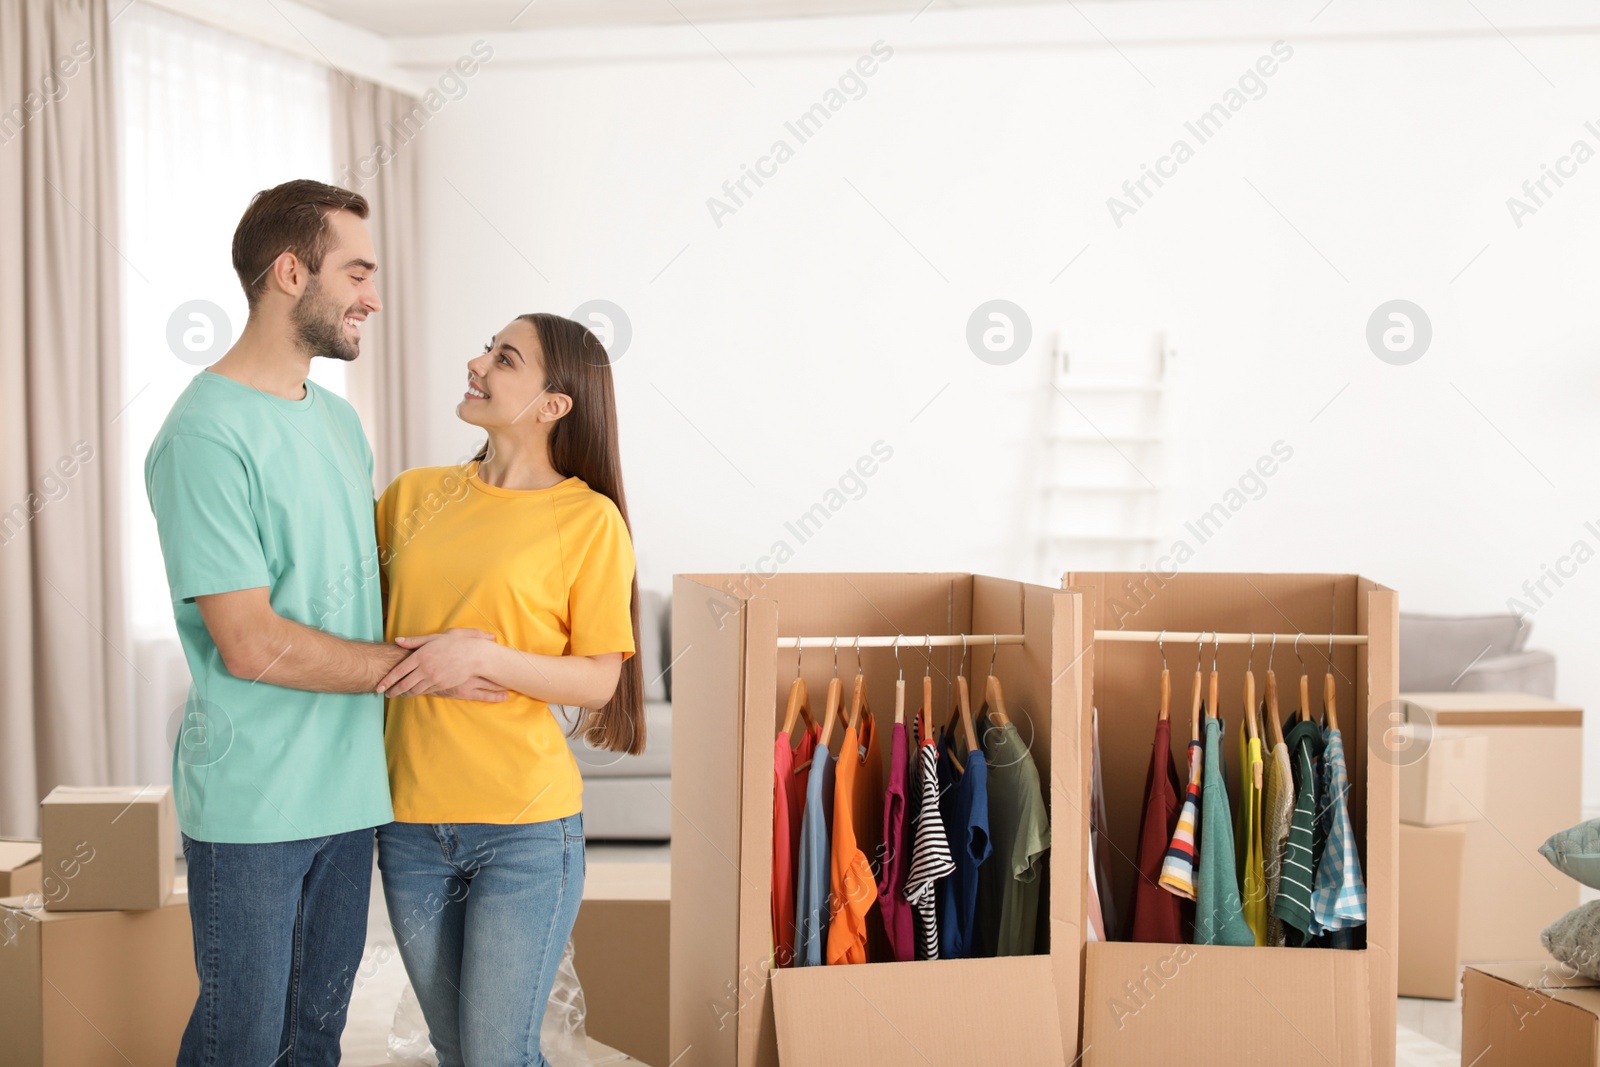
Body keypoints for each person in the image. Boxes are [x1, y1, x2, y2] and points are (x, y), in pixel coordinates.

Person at [145, 179, 505, 1067]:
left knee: (315, 1039)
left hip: (349, 794)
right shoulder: (205, 435)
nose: (372, 298)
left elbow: (360, 589)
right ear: (290, 271)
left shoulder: (340, 424)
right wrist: (422, 667)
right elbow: (252, 641)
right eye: (357, 273)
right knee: (243, 1041)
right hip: (255, 803)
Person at [371, 311, 645, 1067]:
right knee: (456, 1047)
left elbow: (598, 677)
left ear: (553, 403)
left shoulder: (590, 521)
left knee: (497, 1052)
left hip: (526, 832)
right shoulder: (411, 496)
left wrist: (480, 658)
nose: (477, 363)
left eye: (504, 357)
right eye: (488, 350)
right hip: (409, 824)